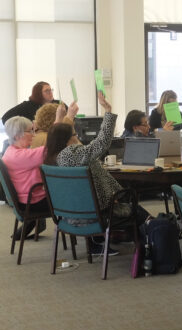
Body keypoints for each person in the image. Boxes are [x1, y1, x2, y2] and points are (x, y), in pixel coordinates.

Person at [44, 92, 149, 256]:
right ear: (66, 140)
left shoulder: (53, 158)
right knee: (132, 203)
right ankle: (154, 233)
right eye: (74, 135)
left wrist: (64, 117)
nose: (77, 137)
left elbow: (59, 131)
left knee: (127, 201)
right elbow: (101, 144)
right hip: (93, 215)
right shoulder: (71, 153)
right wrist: (108, 112)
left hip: (69, 214)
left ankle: (141, 232)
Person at [1, 116, 48, 239]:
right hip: (32, 202)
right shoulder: (21, 156)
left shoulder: (10, 152)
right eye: (30, 131)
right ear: (17, 136)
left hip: (26, 200)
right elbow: (50, 149)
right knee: (74, 197)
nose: (34, 135)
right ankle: (92, 238)